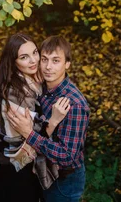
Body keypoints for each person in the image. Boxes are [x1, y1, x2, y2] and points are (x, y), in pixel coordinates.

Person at [7, 36, 90, 202]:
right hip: (42, 171)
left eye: (56, 61)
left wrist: (29, 134)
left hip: (63, 182)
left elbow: (67, 157)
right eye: (44, 59)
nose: (48, 67)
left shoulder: (75, 105)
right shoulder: (42, 88)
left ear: (67, 64)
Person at [0, 33, 71, 202]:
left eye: (35, 53)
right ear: (13, 62)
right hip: (15, 171)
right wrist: (54, 120)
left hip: (28, 170)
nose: (33, 60)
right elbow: (32, 140)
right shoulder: (16, 95)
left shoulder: (33, 82)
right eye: (24, 57)